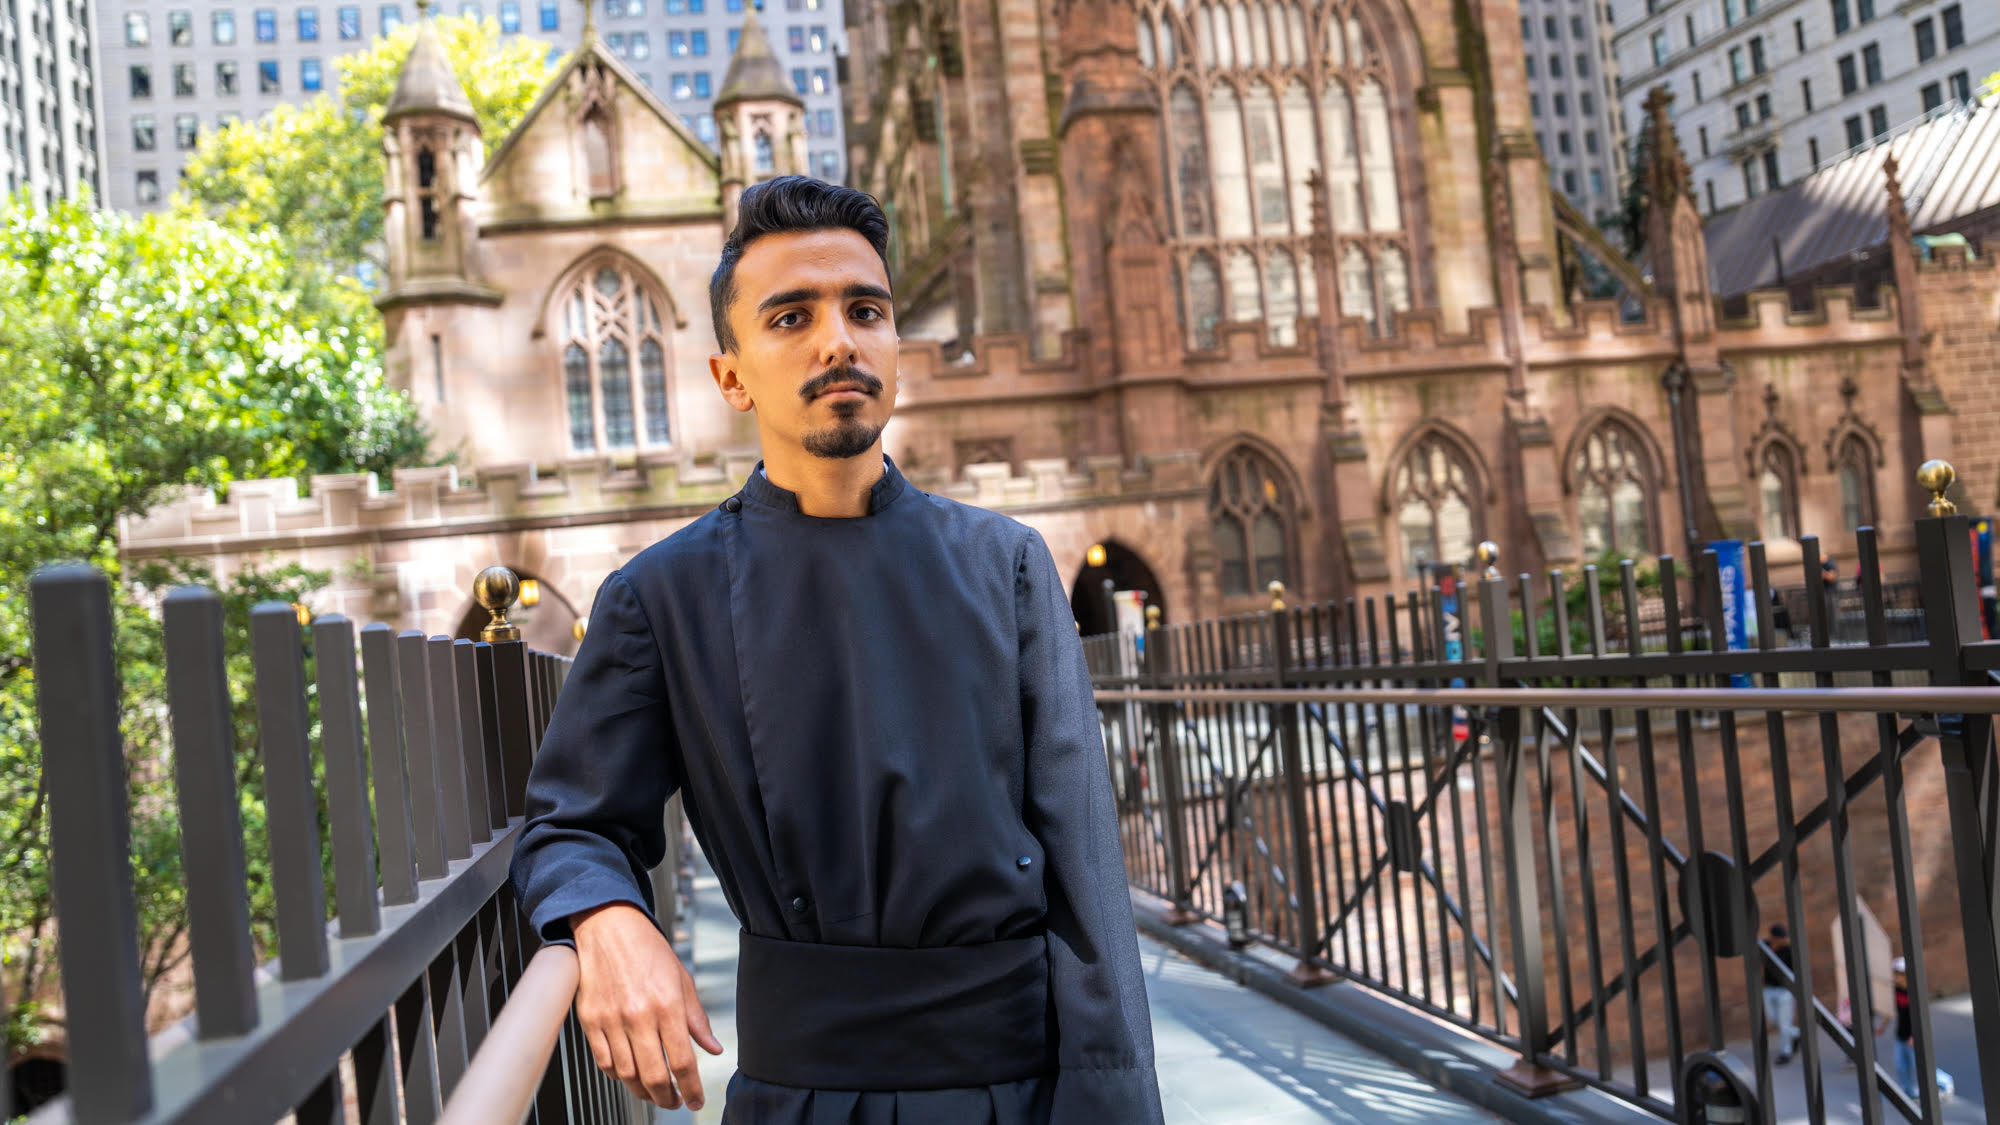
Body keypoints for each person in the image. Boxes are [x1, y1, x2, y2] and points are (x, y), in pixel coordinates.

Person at [508, 176, 1165, 1123]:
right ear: (731, 377)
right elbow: (572, 822)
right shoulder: (658, 597)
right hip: (800, 1100)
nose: (838, 340)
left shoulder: (1009, 564)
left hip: (1016, 1095)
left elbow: (1088, 880)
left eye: (866, 310)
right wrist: (606, 918)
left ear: (895, 346)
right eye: (791, 317)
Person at [1892, 956, 1956, 1101]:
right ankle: (1908, 1093)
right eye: (1895, 973)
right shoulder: (1897, 989)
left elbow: (1920, 1015)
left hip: (1914, 1036)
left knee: (1922, 1066)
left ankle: (1945, 1082)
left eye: (1898, 974)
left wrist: (1914, 1035)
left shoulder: (1914, 992)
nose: (1896, 977)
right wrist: (1883, 1025)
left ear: (1905, 975)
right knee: (1901, 1066)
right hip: (1900, 1035)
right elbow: (1897, 1011)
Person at [1762, 924, 1800, 1063]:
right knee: (1773, 1019)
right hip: (1769, 988)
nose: (1783, 940)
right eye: (1780, 938)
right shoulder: (1765, 946)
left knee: (1784, 1024)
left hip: (1785, 991)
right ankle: (1796, 1033)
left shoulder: (1788, 950)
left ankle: (1785, 1052)